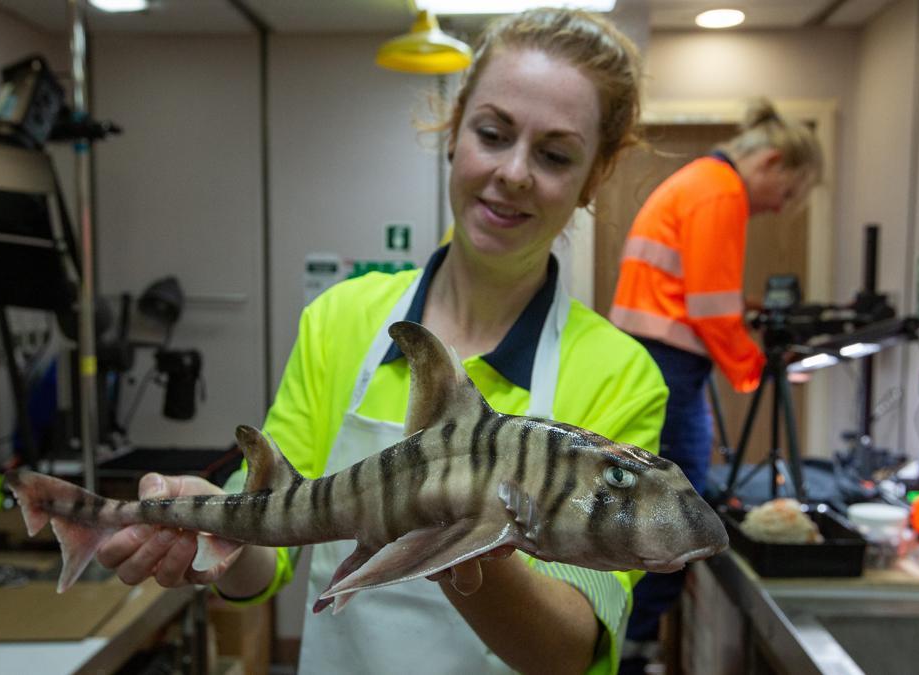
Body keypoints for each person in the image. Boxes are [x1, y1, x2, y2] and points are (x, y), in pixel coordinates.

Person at [96, 9, 670, 675]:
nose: (513, 172)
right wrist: (213, 532)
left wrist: (459, 536)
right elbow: (265, 560)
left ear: (593, 179)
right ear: (455, 133)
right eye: (493, 133)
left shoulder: (620, 374)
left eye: (554, 154)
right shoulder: (342, 319)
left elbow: (570, 652)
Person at [608, 98, 822, 670]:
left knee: (654, 506)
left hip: (655, 357)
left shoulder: (698, 181)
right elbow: (709, 308)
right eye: (787, 193)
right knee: (678, 513)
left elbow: (696, 293)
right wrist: (758, 369)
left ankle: (632, 643)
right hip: (671, 363)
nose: (778, 208)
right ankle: (633, 651)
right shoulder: (720, 190)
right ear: (772, 161)